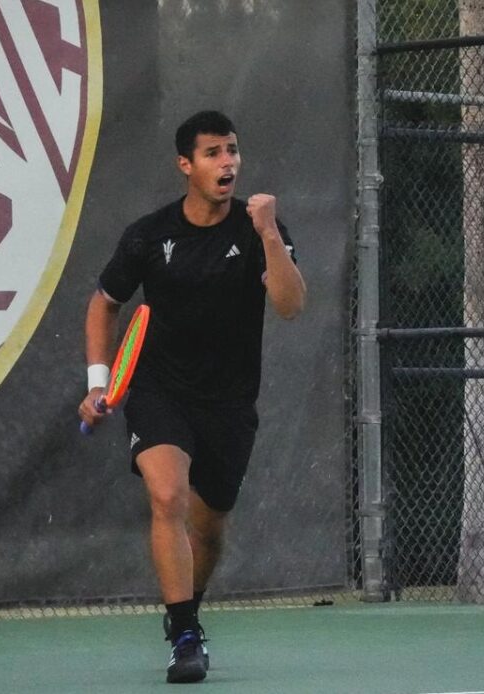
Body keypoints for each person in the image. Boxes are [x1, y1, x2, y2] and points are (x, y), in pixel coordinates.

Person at [79, 110, 305, 684]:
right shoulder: (149, 235)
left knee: (208, 528)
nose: (227, 161)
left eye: (232, 149)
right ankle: (184, 635)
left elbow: (289, 305)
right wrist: (98, 383)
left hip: (229, 402)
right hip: (161, 390)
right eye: (213, 153)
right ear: (186, 165)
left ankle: (188, 611)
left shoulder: (260, 231)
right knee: (166, 495)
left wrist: (269, 234)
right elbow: (105, 301)